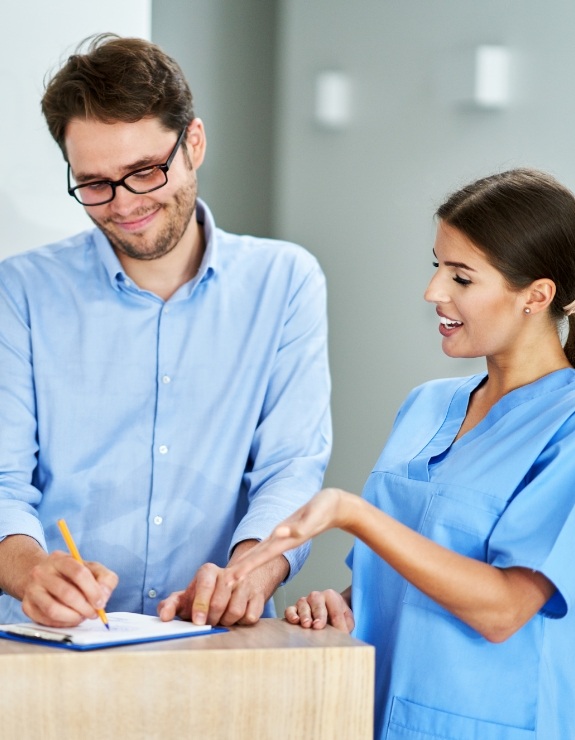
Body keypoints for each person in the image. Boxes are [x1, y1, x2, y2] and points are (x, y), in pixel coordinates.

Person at [226, 168, 575, 739]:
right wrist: (339, 603)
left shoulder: (567, 428)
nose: (433, 292)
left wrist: (353, 514)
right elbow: (402, 579)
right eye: (436, 266)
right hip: (372, 713)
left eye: (461, 277)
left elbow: (505, 608)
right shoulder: (426, 405)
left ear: (536, 296)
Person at [0, 34, 331, 629]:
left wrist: (250, 570)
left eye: (145, 172)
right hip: (47, 644)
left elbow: (290, 468)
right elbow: (1, 481)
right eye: (95, 183)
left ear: (194, 143)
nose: (123, 204)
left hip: (214, 638)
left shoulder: (285, 282)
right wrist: (30, 571)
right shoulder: (19, 292)